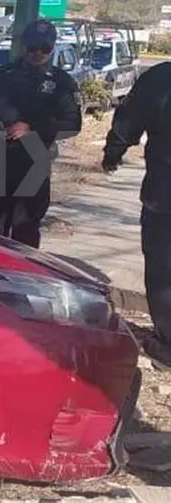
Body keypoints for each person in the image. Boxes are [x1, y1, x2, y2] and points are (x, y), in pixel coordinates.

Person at [0, 19, 82, 248]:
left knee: (25, 229)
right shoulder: (0, 75)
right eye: (32, 47)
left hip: (35, 159)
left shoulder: (61, 83)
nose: (37, 53)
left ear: (52, 48)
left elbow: (72, 123)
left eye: (44, 48)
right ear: (23, 46)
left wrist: (33, 128)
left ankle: (23, 280)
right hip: (0, 156)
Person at [101, 60, 171, 366]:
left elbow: (129, 120)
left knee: (163, 268)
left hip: (165, 197)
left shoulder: (161, 78)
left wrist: (113, 153)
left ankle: (168, 343)